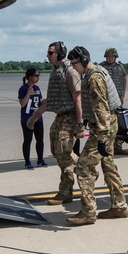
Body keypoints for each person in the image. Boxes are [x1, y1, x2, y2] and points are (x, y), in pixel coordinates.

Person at [65, 46, 128, 225]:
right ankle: (119, 206)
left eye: (75, 63)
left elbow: (101, 109)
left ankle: (88, 211)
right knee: (108, 165)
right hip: (108, 125)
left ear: (84, 61)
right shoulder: (96, 72)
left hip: (104, 127)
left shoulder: (94, 78)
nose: (73, 67)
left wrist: (101, 138)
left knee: (83, 167)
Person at [44, 41, 84, 206]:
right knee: (56, 150)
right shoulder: (56, 70)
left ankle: (66, 190)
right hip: (60, 116)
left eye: (51, 53)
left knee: (64, 152)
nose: (48, 55)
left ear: (60, 54)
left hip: (70, 116)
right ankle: (82, 169)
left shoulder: (69, 71)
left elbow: (77, 97)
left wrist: (80, 124)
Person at [101, 47, 128, 155]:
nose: (110, 58)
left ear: (115, 57)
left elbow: (124, 77)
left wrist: (123, 91)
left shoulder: (120, 67)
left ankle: (118, 146)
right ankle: (107, 146)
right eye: (108, 56)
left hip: (118, 99)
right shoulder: (102, 67)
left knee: (119, 122)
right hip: (106, 100)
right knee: (106, 122)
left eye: (112, 56)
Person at [18, 68, 48, 170]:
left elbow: (38, 101)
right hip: (27, 118)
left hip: (38, 118)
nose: (38, 78)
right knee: (28, 140)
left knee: (40, 140)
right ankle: (27, 162)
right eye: (36, 76)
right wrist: (28, 93)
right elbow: (22, 104)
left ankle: (40, 159)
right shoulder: (23, 88)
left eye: (38, 76)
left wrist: (42, 102)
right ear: (30, 77)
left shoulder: (37, 88)